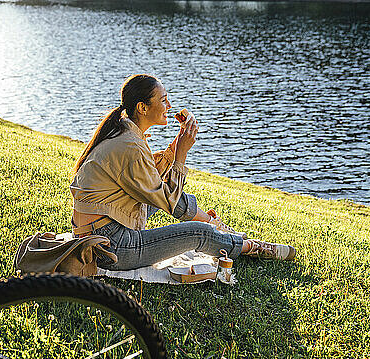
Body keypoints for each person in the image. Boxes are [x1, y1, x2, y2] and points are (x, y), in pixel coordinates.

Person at [69, 74, 296, 271]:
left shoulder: (124, 131)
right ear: (143, 107)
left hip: (101, 232)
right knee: (199, 233)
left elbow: (151, 181)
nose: (168, 105)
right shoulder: (130, 145)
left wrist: (178, 143)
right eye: (163, 100)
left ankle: (217, 228)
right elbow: (167, 199)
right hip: (109, 246)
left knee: (177, 203)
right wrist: (181, 156)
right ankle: (249, 247)